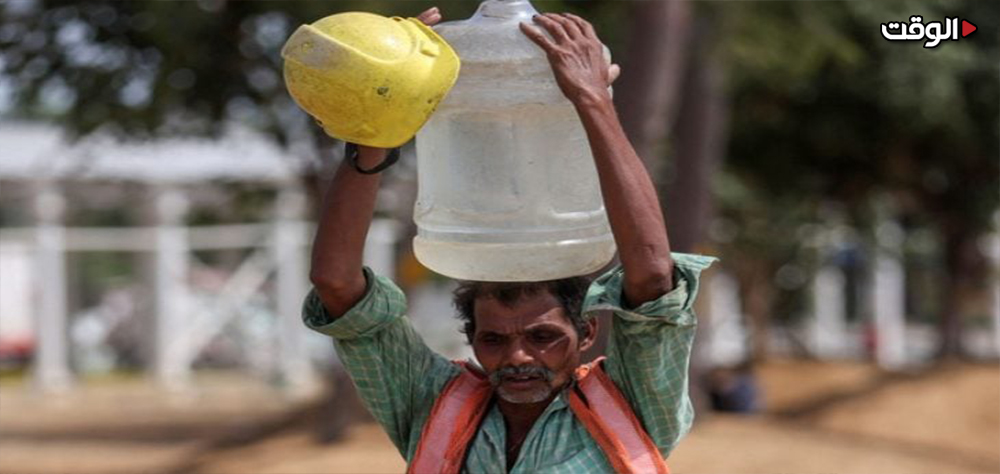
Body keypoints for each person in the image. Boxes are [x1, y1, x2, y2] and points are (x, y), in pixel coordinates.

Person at [302, 7, 715, 473]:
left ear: (587, 333)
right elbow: (336, 285)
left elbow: (654, 275)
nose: (518, 357)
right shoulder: (431, 406)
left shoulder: (632, 408)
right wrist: (375, 130)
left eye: (543, 336)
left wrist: (593, 101)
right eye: (493, 339)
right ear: (471, 341)